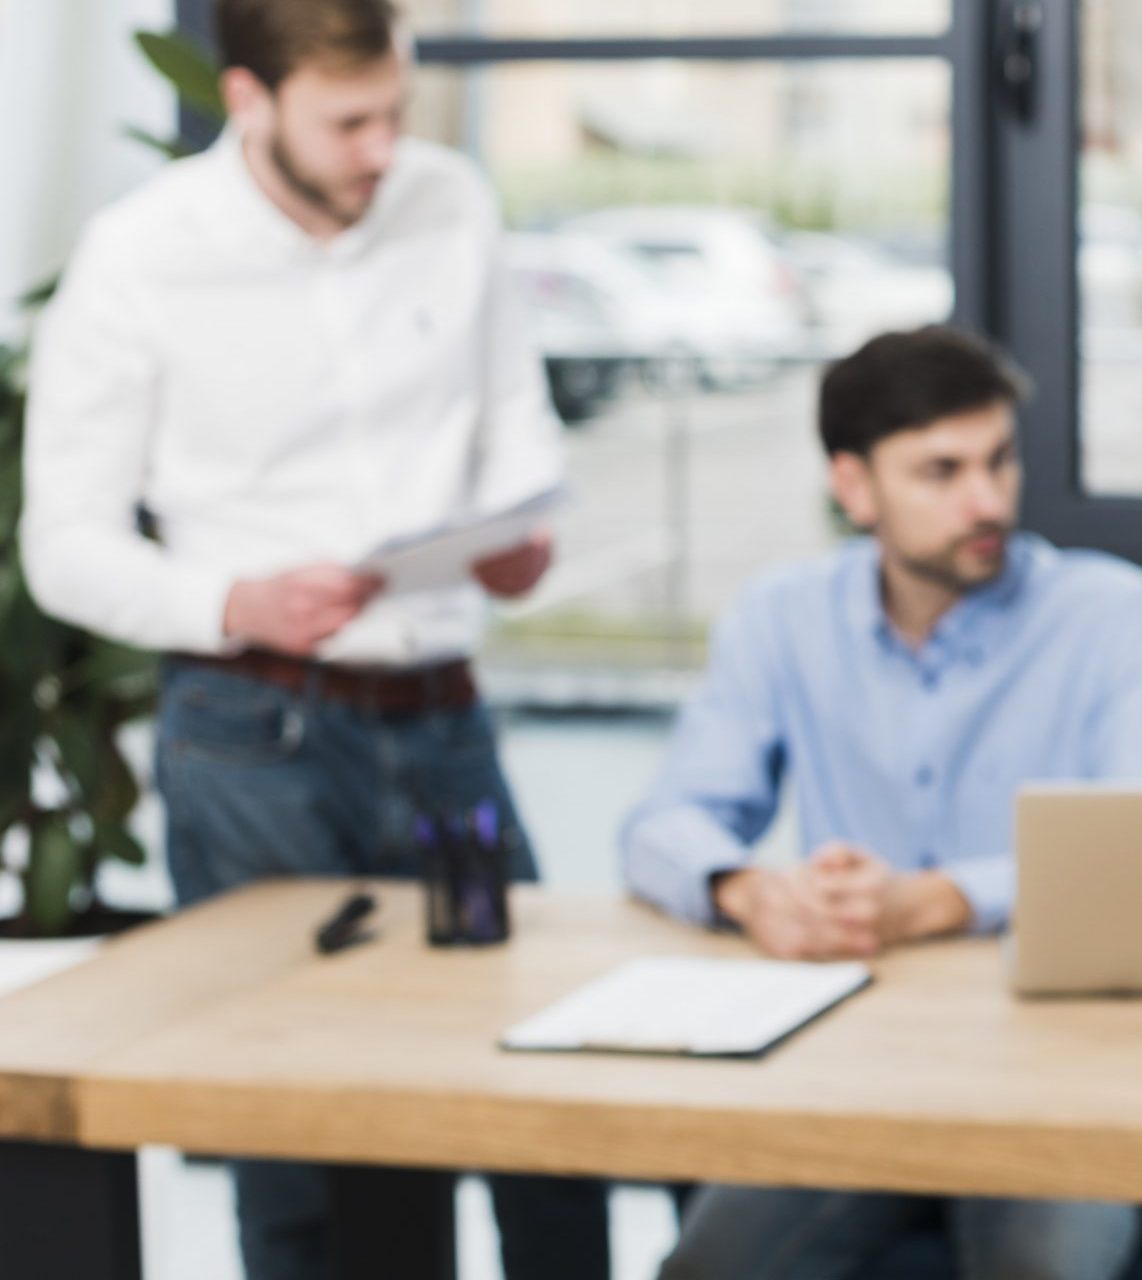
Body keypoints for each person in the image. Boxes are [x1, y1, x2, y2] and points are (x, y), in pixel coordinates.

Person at [19, 1, 608, 1276]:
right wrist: (234, 601)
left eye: (394, 110)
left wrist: (520, 530)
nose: (381, 147)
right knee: (295, 1120)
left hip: (443, 715)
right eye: (347, 121)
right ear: (248, 99)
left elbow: (517, 429)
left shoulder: (448, 203)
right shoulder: (142, 254)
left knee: (542, 1075)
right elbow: (62, 545)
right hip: (252, 732)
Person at [626, 325, 1142, 1280]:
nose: (986, 501)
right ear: (852, 487)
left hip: (1058, 1074)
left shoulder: (1114, 617)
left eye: (999, 461)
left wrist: (942, 897)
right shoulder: (782, 617)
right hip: (853, 1064)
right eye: (941, 472)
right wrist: (746, 888)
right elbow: (664, 822)